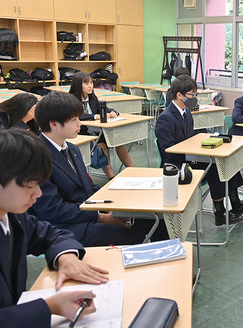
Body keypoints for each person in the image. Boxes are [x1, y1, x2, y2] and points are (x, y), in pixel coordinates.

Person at [0, 129, 109, 327]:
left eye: (39, 185)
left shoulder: (8, 212)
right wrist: (48, 308)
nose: (38, 194)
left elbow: (50, 234)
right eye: (29, 186)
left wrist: (66, 257)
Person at [32, 91, 168, 246]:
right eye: (74, 120)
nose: (80, 124)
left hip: (87, 213)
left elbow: (88, 187)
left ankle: (170, 259)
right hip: (67, 228)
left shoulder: (72, 149)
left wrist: (115, 206)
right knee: (134, 236)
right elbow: (52, 210)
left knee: (156, 220)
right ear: (54, 124)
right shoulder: (37, 157)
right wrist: (100, 216)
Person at [155, 75, 243, 226]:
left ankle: (236, 204)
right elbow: (169, 150)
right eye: (192, 95)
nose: (194, 98)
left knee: (227, 162)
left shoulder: (186, 112)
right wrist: (194, 149)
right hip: (178, 165)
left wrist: (209, 138)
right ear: (179, 95)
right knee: (216, 168)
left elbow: (191, 136)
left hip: (190, 157)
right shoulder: (166, 118)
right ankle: (220, 213)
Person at [69, 71, 134, 179]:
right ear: (78, 85)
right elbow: (77, 115)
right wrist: (95, 116)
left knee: (118, 141)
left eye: (91, 83)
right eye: (86, 83)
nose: (90, 86)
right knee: (102, 146)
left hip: (97, 130)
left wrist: (112, 112)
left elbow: (103, 108)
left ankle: (133, 170)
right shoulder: (71, 99)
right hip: (82, 132)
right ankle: (111, 177)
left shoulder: (92, 98)